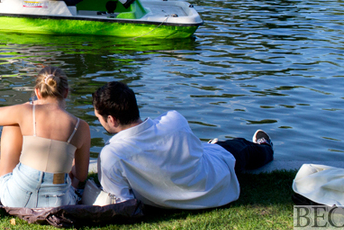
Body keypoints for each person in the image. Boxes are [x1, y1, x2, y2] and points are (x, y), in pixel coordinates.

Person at [92, 82, 274, 209]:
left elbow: (123, 202)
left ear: (111, 119)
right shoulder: (174, 120)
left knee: (216, 148)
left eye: (98, 118)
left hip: (171, 201)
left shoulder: (111, 155)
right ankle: (266, 146)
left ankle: (216, 144)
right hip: (214, 188)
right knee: (242, 147)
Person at [0, 66, 91, 208]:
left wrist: (28, 105)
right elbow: (82, 175)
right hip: (59, 204)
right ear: (66, 92)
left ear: (37, 92)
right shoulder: (81, 126)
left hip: (16, 199)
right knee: (67, 174)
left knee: (11, 123)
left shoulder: (26, 111)